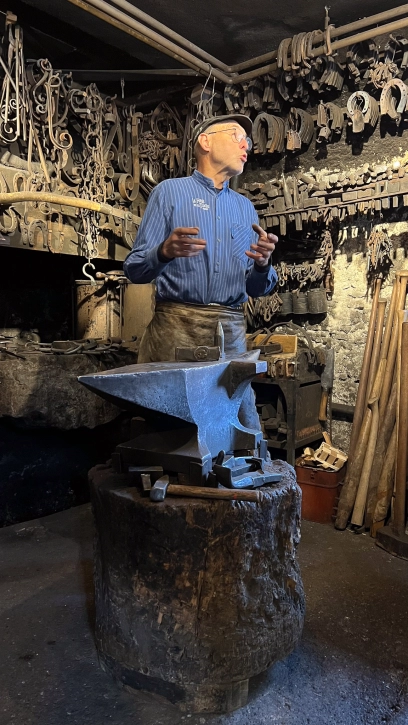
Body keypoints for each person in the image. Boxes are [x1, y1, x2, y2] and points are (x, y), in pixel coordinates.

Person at [124, 114, 278, 430]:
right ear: (205, 142)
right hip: (175, 331)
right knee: (171, 431)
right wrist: (163, 252)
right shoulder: (168, 193)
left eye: (247, 141)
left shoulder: (245, 208)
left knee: (237, 429)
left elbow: (256, 288)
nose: (246, 146)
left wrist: (263, 265)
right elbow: (135, 269)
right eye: (236, 136)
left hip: (230, 335)